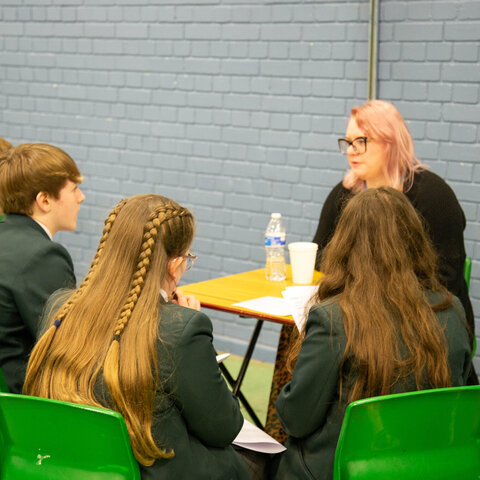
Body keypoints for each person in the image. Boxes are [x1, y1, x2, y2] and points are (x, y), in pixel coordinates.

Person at [23, 194, 251, 480]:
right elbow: (224, 428)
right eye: (188, 259)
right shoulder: (181, 328)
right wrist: (186, 325)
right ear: (173, 265)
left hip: (67, 466)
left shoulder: (60, 307)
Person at [272, 186, 472, 480]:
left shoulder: (333, 319)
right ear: (416, 242)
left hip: (341, 470)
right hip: (428, 468)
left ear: (345, 245)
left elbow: (295, 419)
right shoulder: (452, 311)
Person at [313, 99, 477, 383]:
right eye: (348, 142)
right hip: (363, 316)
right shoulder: (344, 193)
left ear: (390, 142)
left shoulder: (433, 196)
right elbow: (321, 258)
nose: (351, 151)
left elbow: (444, 280)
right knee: (309, 330)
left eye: (361, 141)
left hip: (425, 320)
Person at [0, 143, 85, 393]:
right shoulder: (43, 256)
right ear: (45, 200)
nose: (81, 197)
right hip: (21, 402)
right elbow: (70, 343)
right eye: (74, 189)